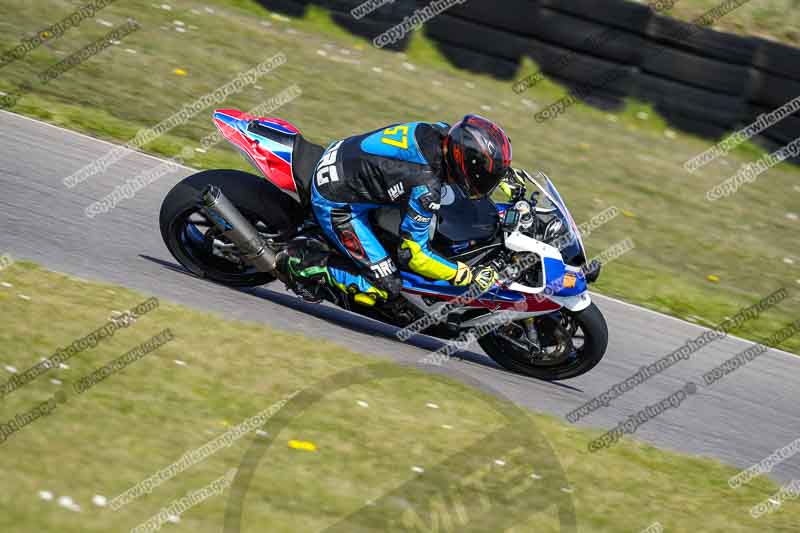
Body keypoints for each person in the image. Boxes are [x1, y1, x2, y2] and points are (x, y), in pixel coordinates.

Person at [278, 114, 513, 307]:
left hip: (344, 158)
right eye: (486, 176)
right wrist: (465, 275)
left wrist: (504, 175)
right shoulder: (425, 186)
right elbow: (413, 256)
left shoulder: (438, 133)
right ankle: (302, 263)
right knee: (385, 286)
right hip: (337, 203)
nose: (486, 181)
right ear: (467, 164)